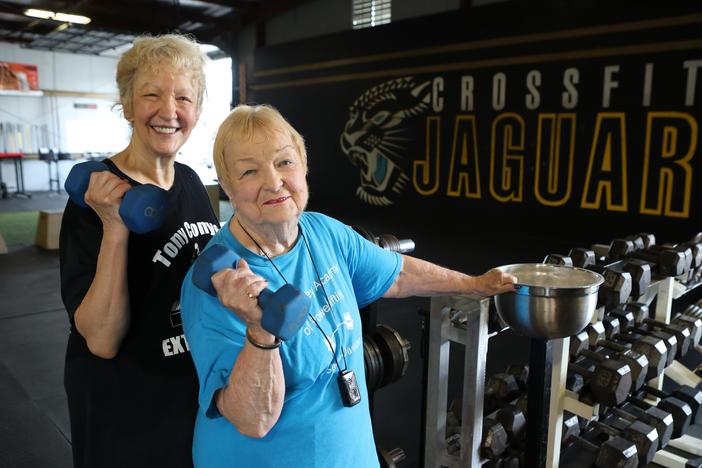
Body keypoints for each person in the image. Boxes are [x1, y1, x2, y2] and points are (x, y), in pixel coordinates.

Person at [179, 104, 517, 468]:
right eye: (249, 171)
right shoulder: (219, 284)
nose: (273, 182)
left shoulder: (322, 231)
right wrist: (260, 331)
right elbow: (253, 420)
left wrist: (474, 284)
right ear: (227, 185)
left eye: (284, 162)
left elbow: (398, 273)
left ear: (304, 165)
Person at [59, 34, 220, 468]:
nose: (169, 111)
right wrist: (114, 227)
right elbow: (103, 340)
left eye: (183, 97)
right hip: (124, 406)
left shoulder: (191, 182)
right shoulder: (95, 198)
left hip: (190, 394)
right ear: (128, 106)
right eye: (152, 94)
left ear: (197, 112)